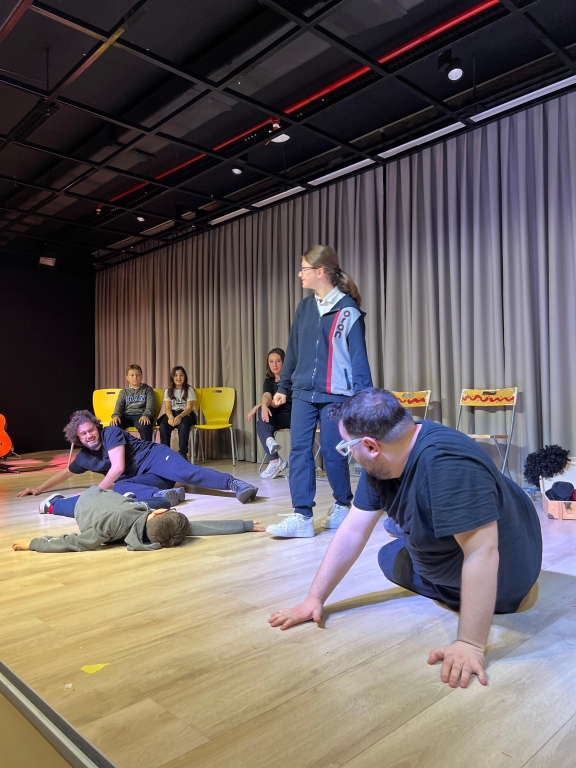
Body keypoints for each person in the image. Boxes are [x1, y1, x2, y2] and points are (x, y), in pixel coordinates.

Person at [269, 389, 543, 689]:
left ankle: (413, 531)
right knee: (391, 547)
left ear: (370, 446)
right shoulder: (389, 454)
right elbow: (354, 529)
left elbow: (483, 553)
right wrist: (314, 598)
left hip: (506, 578)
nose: (349, 454)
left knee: (393, 557)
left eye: (347, 447)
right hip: (510, 523)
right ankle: (409, 526)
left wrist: (470, 643)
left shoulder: (447, 463)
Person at [267, 245, 372, 538]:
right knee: (299, 450)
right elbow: (293, 350)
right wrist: (283, 387)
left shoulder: (348, 311)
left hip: (336, 394)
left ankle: (342, 504)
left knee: (331, 451)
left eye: (304, 269)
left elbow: (358, 359)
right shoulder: (304, 308)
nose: (300, 274)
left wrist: (363, 400)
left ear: (320, 271)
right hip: (303, 392)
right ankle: (302, 516)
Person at [15, 410, 258, 505]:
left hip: (156, 458)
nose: (89, 435)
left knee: (187, 473)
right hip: (149, 479)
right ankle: (164, 495)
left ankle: (236, 484)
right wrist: (38, 489)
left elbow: (118, 467)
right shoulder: (84, 457)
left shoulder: (110, 433)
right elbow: (65, 472)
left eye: (91, 430)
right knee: (120, 488)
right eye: (83, 434)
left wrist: (94, 491)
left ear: (97, 428)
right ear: (77, 438)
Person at [12, 486, 264, 552]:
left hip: (87, 500)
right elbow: (199, 528)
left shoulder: (108, 525)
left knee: (59, 507)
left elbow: (75, 541)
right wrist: (243, 526)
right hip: (114, 501)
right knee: (155, 500)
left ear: (156, 516)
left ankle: (51, 504)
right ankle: (131, 498)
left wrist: (34, 543)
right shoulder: (157, 535)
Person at [246, 348, 292, 479]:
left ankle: (275, 460)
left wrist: (259, 406)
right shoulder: (269, 381)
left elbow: (276, 402)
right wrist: (263, 405)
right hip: (276, 417)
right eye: (271, 361)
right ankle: (273, 451)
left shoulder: (289, 380)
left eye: (278, 361)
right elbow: (266, 395)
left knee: (261, 415)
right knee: (262, 415)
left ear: (284, 362)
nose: (274, 365)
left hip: (290, 416)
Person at [157, 366, 197, 458]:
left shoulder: (189, 389)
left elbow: (189, 408)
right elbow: (167, 408)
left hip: (186, 414)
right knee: (163, 425)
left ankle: (183, 454)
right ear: (172, 377)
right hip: (172, 413)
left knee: (183, 426)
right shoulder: (168, 391)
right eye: (176, 375)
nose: (179, 378)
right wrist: (171, 417)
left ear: (185, 377)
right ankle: (166, 454)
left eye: (181, 375)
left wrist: (180, 416)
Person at [111, 364, 156, 442]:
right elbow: (119, 405)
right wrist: (116, 415)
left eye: (138, 375)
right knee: (115, 425)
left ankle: (147, 449)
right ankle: (120, 448)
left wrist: (146, 415)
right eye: (132, 375)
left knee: (145, 426)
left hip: (141, 415)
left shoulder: (147, 389)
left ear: (141, 376)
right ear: (127, 378)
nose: (135, 377)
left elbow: (151, 405)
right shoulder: (123, 392)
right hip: (126, 415)